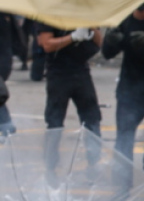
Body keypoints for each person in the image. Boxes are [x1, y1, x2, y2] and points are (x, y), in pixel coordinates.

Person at [101, 0, 144, 191]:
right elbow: (106, 54)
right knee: (123, 142)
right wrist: (111, 41)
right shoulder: (124, 20)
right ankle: (121, 189)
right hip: (130, 92)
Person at [36, 23, 103, 179]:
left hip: (81, 71)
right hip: (58, 73)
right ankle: (51, 168)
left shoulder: (85, 11)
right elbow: (47, 44)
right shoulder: (51, 14)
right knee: (54, 122)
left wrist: (91, 26)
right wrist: (72, 37)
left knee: (92, 120)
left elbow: (99, 42)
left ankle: (94, 163)